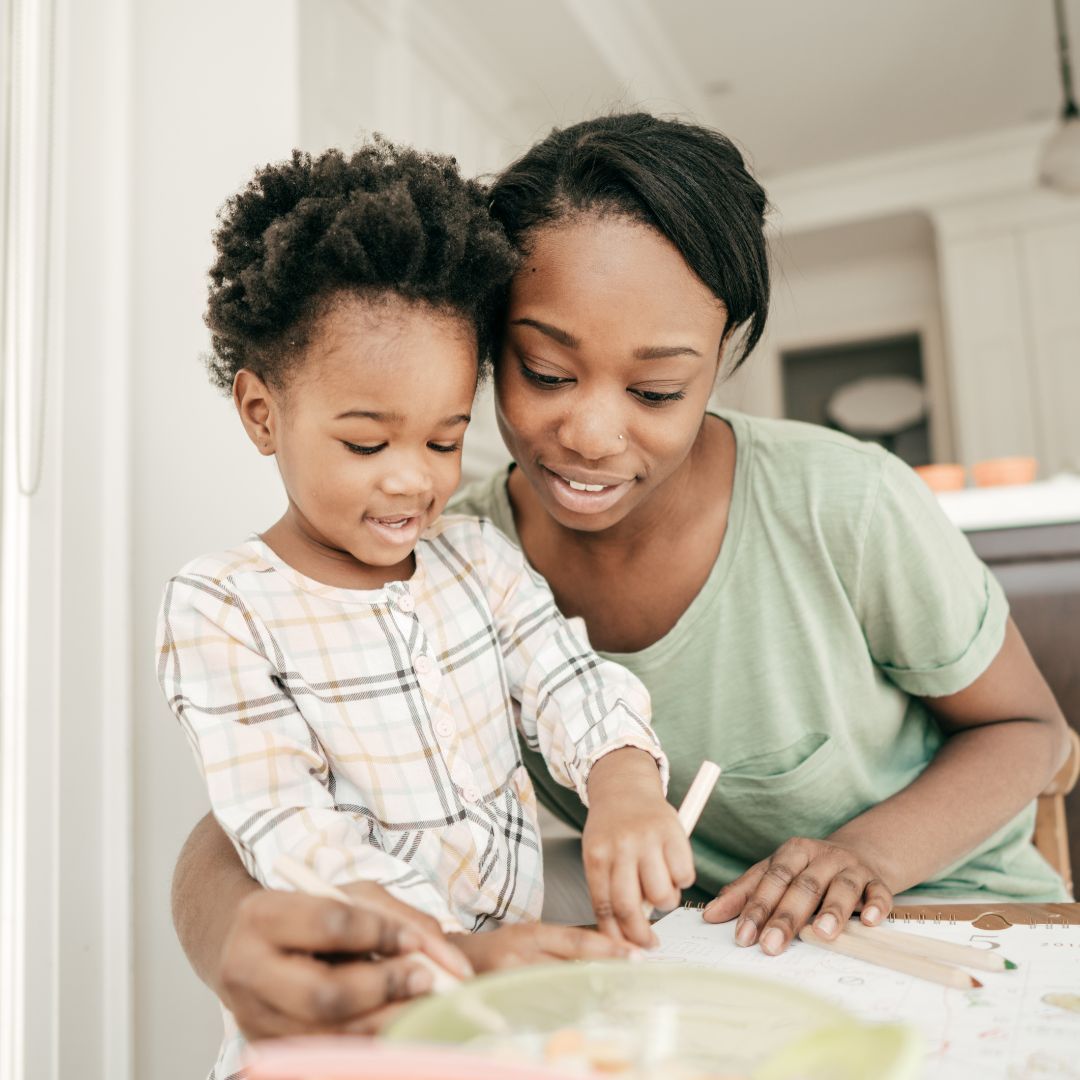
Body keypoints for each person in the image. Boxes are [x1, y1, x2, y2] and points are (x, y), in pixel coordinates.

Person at [170, 112, 1071, 1041]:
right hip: (709, 952)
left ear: (720, 363)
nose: (593, 436)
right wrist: (233, 936)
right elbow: (261, 806)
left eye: (654, 391)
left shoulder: (847, 505)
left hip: (951, 919)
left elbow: (1031, 730)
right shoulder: (437, 552)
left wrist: (862, 853)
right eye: (546, 370)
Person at [157, 140, 694, 1077]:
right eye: (367, 443)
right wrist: (450, 958)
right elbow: (287, 828)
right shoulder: (224, 606)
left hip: (503, 1007)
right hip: (358, 1016)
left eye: (446, 440)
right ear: (261, 414)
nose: (414, 480)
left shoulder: (476, 560)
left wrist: (622, 784)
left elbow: (567, 678)